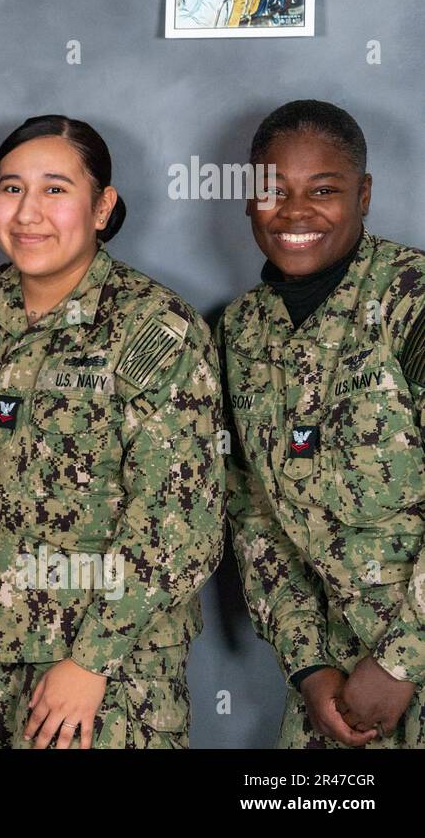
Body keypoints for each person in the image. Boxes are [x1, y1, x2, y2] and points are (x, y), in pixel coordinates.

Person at [0, 115, 225, 749]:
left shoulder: (152, 327)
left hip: (105, 679)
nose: (29, 212)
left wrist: (90, 660)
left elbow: (182, 522)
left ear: (101, 207)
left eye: (56, 189)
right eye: (11, 188)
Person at [221, 100, 425, 748]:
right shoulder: (241, 330)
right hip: (333, 693)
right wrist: (308, 665)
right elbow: (252, 508)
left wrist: (401, 661)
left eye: (324, 191)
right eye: (273, 192)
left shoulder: (410, 298)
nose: (296, 212)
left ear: (363, 195)